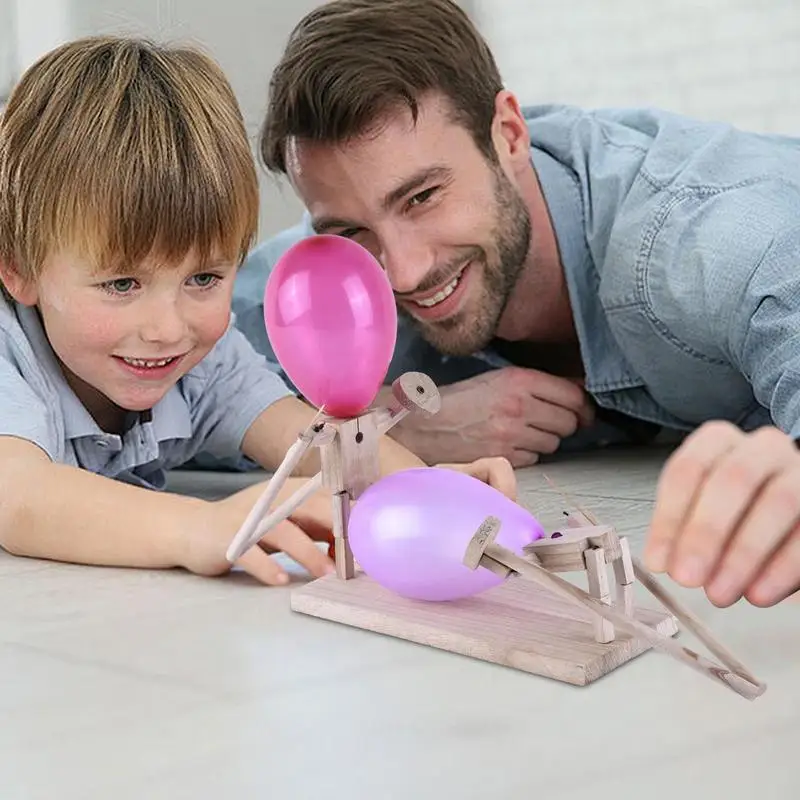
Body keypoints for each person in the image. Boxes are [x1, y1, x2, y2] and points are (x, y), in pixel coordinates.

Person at [233, 0, 800, 607]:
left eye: (422, 197)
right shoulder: (323, 275)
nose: (402, 271)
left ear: (508, 134)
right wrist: (389, 426)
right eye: (350, 231)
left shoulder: (709, 239)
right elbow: (174, 381)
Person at [0, 35, 515, 588]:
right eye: (122, 284)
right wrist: (199, 527)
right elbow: (17, 496)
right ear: (19, 269)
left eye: (204, 279)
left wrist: (424, 489)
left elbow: (310, 440)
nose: (168, 329)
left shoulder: (206, 361)